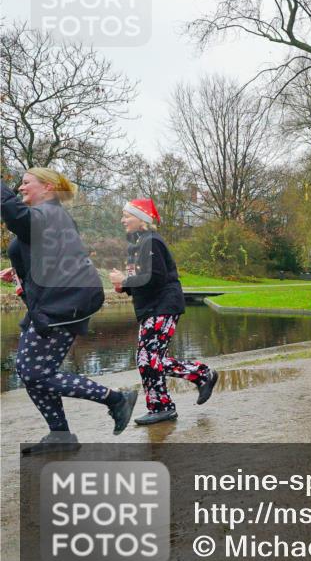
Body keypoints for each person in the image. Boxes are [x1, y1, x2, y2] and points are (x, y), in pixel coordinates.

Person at [2, 170, 137, 453]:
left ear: (48, 187)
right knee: (29, 371)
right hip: (51, 301)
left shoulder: (51, 213)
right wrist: (17, 273)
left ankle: (115, 399)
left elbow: (15, 217)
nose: (20, 187)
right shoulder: (46, 216)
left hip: (66, 301)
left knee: (36, 372)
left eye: (26, 183)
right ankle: (59, 435)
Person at [108, 198, 219, 425]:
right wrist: (124, 285)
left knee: (149, 360)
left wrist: (126, 280)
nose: (122, 220)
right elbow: (143, 280)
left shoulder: (151, 242)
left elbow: (155, 278)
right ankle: (195, 379)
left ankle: (165, 404)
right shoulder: (138, 244)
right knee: (146, 360)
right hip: (150, 308)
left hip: (163, 306)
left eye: (126, 215)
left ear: (142, 220)